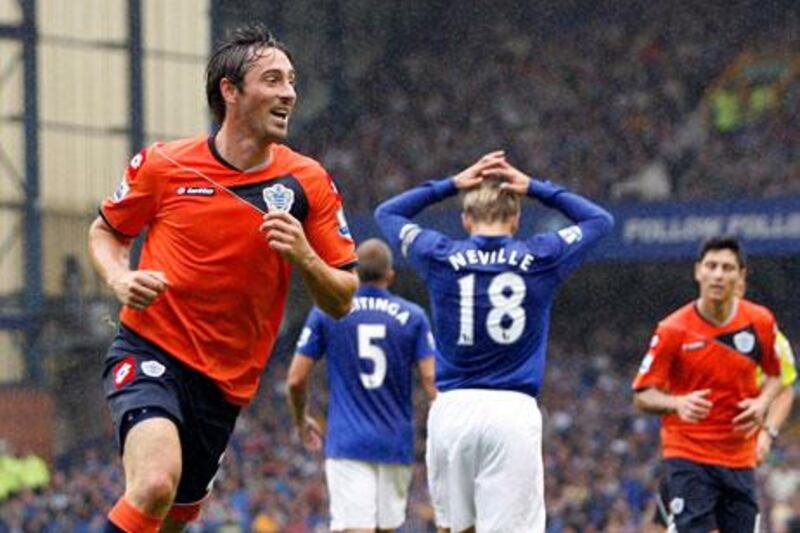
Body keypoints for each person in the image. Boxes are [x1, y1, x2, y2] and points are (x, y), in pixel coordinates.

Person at [88, 23, 358, 533]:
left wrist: (305, 257)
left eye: (292, 81)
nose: (289, 94)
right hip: (151, 349)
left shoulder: (307, 181)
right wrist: (119, 279)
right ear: (230, 92)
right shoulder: (164, 165)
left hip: (225, 385)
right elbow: (105, 232)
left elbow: (343, 297)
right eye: (273, 80)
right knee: (153, 485)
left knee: (172, 520)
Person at [374, 151, 614, 532]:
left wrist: (450, 184)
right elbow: (600, 221)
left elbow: (387, 213)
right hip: (511, 412)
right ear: (517, 220)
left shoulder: (438, 253)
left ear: (465, 219)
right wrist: (535, 187)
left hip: (451, 411)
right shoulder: (541, 257)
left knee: (455, 528)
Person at [632, 236, 785, 533]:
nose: (718, 274)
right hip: (689, 455)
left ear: (740, 276)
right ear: (698, 271)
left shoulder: (760, 321)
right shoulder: (672, 329)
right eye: (711, 266)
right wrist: (677, 402)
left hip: (740, 458)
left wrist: (762, 403)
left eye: (727, 268)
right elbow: (642, 395)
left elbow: (777, 376)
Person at [286, 238, 437, 533]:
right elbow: (431, 379)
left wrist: (300, 419)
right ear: (390, 275)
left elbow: (295, 378)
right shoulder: (414, 317)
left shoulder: (327, 311)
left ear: (353, 272)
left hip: (348, 441)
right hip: (395, 442)